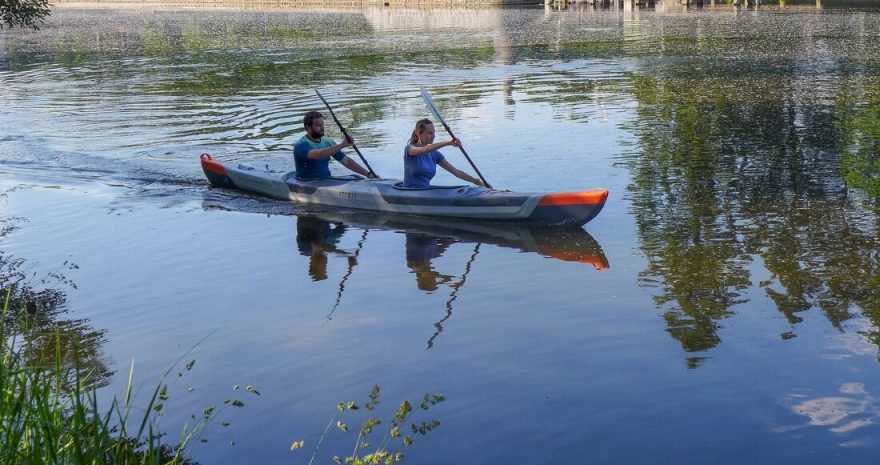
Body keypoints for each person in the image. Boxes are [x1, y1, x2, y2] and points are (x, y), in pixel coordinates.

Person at [294, 111, 377, 179]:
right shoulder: (301, 145)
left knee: (356, 178)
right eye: (318, 125)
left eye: (322, 124)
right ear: (308, 127)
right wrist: (342, 145)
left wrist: (368, 174)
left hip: (326, 180)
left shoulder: (327, 142)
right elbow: (318, 155)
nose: (322, 127)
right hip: (306, 182)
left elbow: (346, 161)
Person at [403, 118, 483, 188]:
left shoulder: (435, 155)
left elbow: (456, 172)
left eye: (434, 132)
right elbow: (425, 149)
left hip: (425, 191)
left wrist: (476, 181)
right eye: (429, 133)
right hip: (409, 191)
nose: (433, 136)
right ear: (419, 133)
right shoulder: (410, 149)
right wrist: (448, 142)